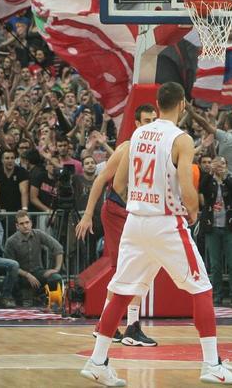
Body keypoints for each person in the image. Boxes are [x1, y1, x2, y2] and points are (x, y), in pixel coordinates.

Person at [80, 82, 232, 386]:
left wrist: (143, 197)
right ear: (182, 104)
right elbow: (186, 187)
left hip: (135, 221)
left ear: (157, 105)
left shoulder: (138, 134)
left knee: (122, 291)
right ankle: (212, 365)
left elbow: (118, 184)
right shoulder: (181, 138)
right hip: (166, 222)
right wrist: (193, 211)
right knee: (202, 288)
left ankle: (97, 361)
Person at [75, 104, 158, 347]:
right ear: (137, 124)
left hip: (137, 213)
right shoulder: (127, 147)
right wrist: (87, 214)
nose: (151, 125)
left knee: (141, 266)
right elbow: (101, 179)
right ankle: (112, 325)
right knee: (126, 268)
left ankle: (126, 325)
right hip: (116, 211)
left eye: (154, 120)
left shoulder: (157, 149)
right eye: (146, 121)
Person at [198, 156, 232, 306]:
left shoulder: (231, 181)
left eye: (223, 164)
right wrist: (210, 173)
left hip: (230, 227)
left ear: (227, 166)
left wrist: (224, 178)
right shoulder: (208, 181)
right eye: (217, 164)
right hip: (212, 226)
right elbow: (201, 188)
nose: (220, 166)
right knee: (215, 264)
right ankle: (217, 295)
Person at [4, 210, 65, 307]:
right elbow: (10, 265)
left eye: (27, 222)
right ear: (17, 226)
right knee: (11, 277)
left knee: (55, 278)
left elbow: (58, 248)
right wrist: (27, 275)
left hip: (38, 272)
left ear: (31, 223)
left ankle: (52, 303)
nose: (25, 226)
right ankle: (17, 303)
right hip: (20, 275)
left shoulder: (38, 234)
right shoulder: (11, 241)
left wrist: (56, 269)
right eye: (22, 223)